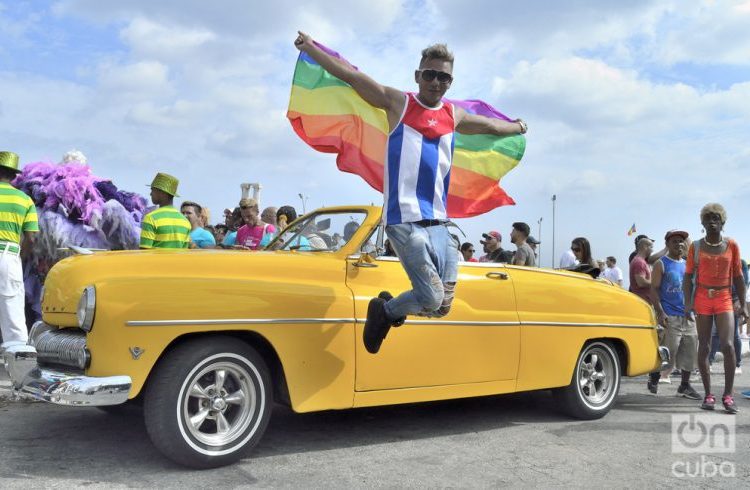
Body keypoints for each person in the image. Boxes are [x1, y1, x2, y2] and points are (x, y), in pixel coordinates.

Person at [294, 31, 527, 355]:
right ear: (419, 76)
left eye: (443, 76)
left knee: (443, 305)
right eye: (430, 74)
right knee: (430, 297)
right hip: (404, 218)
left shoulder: (452, 115)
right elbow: (350, 75)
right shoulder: (398, 103)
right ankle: (385, 313)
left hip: (439, 223)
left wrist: (517, 126)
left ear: (450, 81)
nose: (436, 81)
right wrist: (311, 49)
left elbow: (488, 126)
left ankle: (388, 309)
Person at [684, 203, 747, 413]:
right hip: (702, 296)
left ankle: (728, 396)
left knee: (728, 346)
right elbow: (687, 276)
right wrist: (687, 303)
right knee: (704, 346)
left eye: (716, 219)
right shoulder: (696, 246)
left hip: (724, 298)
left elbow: (738, 276)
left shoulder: (732, 245)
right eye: (708, 219)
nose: (712, 222)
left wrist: (744, 305)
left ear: (722, 222)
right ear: (702, 223)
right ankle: (708, 394)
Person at [647, 230, 700, 399]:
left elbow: (692, 288)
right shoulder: (661, 264)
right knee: (668, 354)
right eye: (675, 241)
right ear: (668, 244)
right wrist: (660, 312)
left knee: (690, 354)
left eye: (682, 241)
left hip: (688, 316)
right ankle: (654, 377)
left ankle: (684, 386)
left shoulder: (687, 265)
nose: (679, 244)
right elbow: (653, 289)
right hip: (670, 316)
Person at [0, 151, 38, 357]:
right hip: (8, 256)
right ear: (14, 176)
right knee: (12, 314)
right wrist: (19, 258)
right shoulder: (25, 200)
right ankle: (20, 370)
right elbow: (31, 239)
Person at [708, 258, 748, 375]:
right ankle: (709, 362)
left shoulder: (741, 262)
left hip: (733, 300)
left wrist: (740, 302)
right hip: (718, 299)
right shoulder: (715, 262)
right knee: (714, 333)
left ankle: (737, 364)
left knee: (734, 334)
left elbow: (744, 283)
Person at [140, 173, 191, 249]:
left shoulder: (151, 218)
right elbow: (183, 254)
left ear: (162, 192)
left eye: (152, 190)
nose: (150, 194)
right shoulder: (185, 222)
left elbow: (144, 253)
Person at [628, 237, 653, 303]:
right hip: (642, 301)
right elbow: (641, 283)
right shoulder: (640, 262)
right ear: (645, 247)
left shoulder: (640, 261)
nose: (652, 250)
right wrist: (657, 283)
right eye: (651, 247)